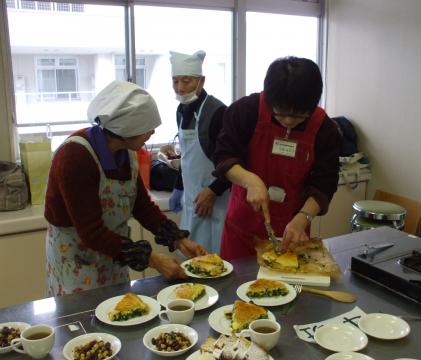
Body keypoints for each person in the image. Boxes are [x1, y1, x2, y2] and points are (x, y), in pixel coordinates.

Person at [44, 80, 206, 296]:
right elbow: (91, 232)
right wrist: (152, 259)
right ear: (128, 128)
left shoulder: (126, 153)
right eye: (148, 128)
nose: (152, 133)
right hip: (76, 258)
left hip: (115, 253)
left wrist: (178, 239)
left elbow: (142, 206)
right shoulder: (75, 157)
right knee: (83, 323)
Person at [213, 56, 341, 260]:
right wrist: (250, 181)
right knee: (235, 288)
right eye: (281, 113)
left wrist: (303, 218)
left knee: (289, 288)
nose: (289, 121)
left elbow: (325, 184)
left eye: (299, 115)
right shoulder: (246, 111)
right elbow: (223, 156)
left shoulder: (325, 129)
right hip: (242, 230)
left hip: (293, 231)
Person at [168, 50, 230, 253]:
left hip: (216, 204)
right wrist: (178, 186)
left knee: (214, 260)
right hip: (191, 200)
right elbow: (186, 156)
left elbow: (234, 161)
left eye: (186, 81)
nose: (180, 88)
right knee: (192, 259)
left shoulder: (217, 112)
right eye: (175, 81)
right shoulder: (181, 110)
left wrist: (213, 191)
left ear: (201, 81)